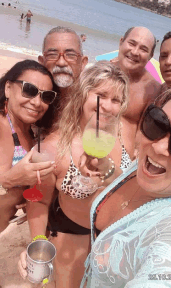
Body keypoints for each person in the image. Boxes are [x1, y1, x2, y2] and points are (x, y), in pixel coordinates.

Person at [78, 81, 171, 287]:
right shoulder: (149, 166)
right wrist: (105, 166)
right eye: (158, 123)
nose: (159, 146)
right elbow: (123, 179)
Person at [18, 61, 133, 287]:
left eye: (116, 100)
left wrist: (108, 170)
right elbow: (39, 201)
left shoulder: (125, 130)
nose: (108, 106)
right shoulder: (52, 148)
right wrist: (39, 242)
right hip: (74, 233)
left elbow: (130, 185)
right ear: (82, 95)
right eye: (100, 95)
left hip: (117, 234)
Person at [0, 60, 58, 232]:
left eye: (46, 96)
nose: (37, 102)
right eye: (29, 90)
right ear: (8, 88)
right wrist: (8, 180)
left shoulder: (32, 131)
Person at [113, 27, 161, 157]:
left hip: (121, 159)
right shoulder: (101, 71)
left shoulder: (152, 89)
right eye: (132, 44)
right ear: (121, 42)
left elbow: (143, 137)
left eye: (143, 49)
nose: (135, 52)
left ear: (150, 56)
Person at [38, 27, 88, 99]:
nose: (61, 63)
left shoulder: (92, 104)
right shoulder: (32, 99)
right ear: (42, 62)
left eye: (70, 55)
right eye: (52, 55)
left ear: (83, 63)